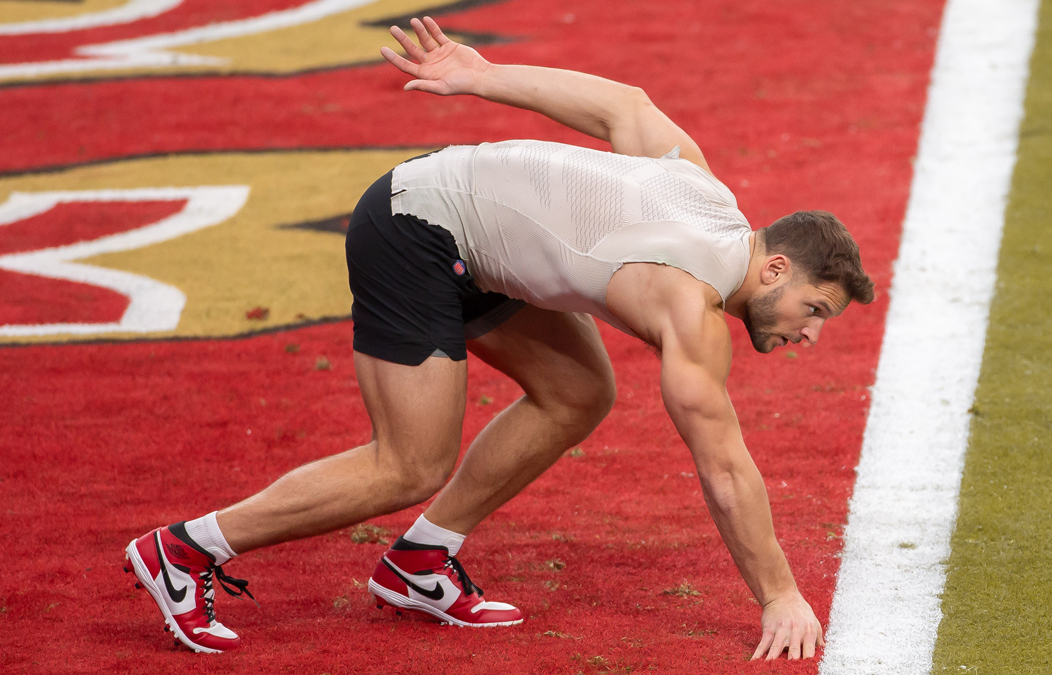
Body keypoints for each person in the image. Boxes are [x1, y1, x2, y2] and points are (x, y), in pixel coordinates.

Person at [122, 16, 874, 662]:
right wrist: (780, 594)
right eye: (814, 309)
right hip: (414, 228)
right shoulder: (692, 309)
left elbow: (625, 104)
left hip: (472, 235)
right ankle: (185, 548)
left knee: (579, 390)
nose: (809, 333)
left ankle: (420, 559)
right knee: (408, 461)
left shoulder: (708, 191)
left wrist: (484, 76)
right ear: (775, 267)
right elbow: (725, 472)